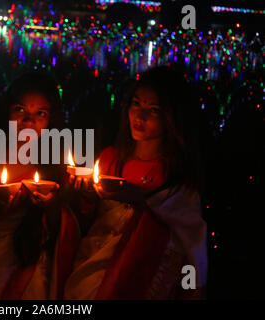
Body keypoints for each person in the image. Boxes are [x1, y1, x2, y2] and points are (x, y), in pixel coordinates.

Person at [65, 66, 207, 299]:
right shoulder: (110, 159)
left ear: (171, 117)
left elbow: (190, 237)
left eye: (153, 110)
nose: (139, 117)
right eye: (136, 104)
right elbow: (93, 219)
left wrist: (142, 204)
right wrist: (87, 197)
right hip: (91, 264)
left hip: (141, 273)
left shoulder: (175, 177)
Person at [0, 71, 79, 300]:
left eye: (40, 113)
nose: (28, 122)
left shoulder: (53, 172)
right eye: (20, 110)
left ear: (50, 122)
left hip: (29, 273)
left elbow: (60, 238)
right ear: (6, 113)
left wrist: (51, 206)